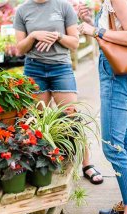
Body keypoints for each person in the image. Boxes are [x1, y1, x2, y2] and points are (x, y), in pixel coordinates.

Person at [13, 0, 103, 185]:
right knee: (38, 120)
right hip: (34, 69)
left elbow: (75, 43)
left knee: (72, 117)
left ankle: (87, 164)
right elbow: (20, 48)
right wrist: (34, 36)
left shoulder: (63, 7)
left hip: (60, 68)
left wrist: (58, 36)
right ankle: (42, 164)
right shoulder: (22, 10)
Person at [78, 0, 127, 214]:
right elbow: (114, 35)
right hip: (116, 73)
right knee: (123, 143)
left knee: (112, 147)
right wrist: (89, 23)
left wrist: (95, 30)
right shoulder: (108, 2)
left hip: (118, 77)